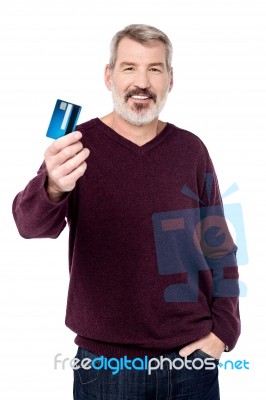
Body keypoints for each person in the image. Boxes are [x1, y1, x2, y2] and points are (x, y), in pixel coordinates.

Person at [12, 24, 240, 399]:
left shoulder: (191, 150)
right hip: (105, 369)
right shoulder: (76, 146)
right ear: (109, 76)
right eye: (129, 67)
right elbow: (28, 225)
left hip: (191, 364)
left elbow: (220, 247)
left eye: (154, 69)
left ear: (170, 79)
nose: (142, 82)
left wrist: (224, 333)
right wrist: (52, 185)